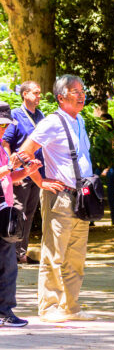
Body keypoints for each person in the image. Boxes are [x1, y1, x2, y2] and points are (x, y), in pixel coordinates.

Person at [19, 75, 97, 322]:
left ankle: (71, 307)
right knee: (54, 254)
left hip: (81, 197)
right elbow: (25, 152)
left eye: (82, 90)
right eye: (76, 91)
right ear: (61, 97)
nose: (82, 94)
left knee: (76, 256)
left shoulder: (80, 120)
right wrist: (40, 181)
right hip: (60, 196)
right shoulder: (52, 122)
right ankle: (49, 307)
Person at [0, 101, 43, 327]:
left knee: (8, 264)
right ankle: (5, 312)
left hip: (4, 210)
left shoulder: (0, 145)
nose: (4, 129)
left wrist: (26, 171)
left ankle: (5, 311)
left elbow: (7, 177)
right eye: (2, 124)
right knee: (8, 264)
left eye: (6, 125)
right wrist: (10, 166)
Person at [2, 80, 45, 264]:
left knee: (30, 212)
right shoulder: (15, 116)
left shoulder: (41, 116)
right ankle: (13, 251)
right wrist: (13, 173)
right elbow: (6, 143)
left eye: (40, 93)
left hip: (33, 172)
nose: (39, 96)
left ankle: (21, 252)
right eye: (35, 93)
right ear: (24, 94)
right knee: (17, 212)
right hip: (17, 173)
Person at [95, 103, 114, 226]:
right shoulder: (97, 136)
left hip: (110, 166)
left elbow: (113, 153)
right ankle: (92, 219)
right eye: (102, 122)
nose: (103, 124)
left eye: (105, 122)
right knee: (93, 190)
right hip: (100, 166)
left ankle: (113, 220)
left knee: (110, 195)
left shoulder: (113, 135)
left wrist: (108, 168)